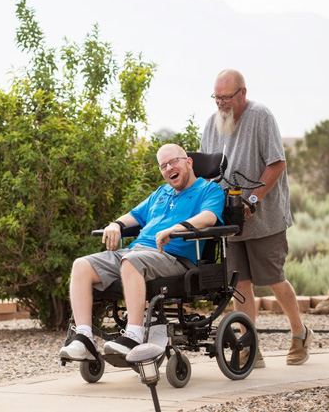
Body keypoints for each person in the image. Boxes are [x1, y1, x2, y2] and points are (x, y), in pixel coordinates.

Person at [59, 143, 225, 361]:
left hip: (173, 256)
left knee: (131, 261)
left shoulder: (209, 190)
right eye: (163, 166)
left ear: (188, 162)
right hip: (138, 251)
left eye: (173, 162)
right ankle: (84, 338)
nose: (168, 169)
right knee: (81, 265)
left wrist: (177, 228)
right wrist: (116, 224)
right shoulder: (161, 193)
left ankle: (134, 336)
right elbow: (135, 215)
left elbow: (209, 217)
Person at [200, 69, 312, 367]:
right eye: (216, 97)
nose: (220, 103)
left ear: (242, 93)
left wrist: (252, 199)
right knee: (241, 284)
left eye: (226, 97)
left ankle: (300, 334)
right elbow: (207, 171)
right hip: (230, 219)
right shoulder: (213, 123)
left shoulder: (261, 117)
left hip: (264, 217)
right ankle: (251, 347)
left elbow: (277, 164)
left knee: (273, 279)